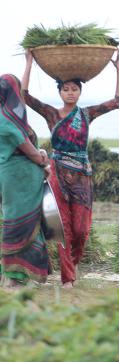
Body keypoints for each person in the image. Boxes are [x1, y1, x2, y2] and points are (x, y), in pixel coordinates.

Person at [22, 49, 119, 288]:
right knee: (63, 227)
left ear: (80, 92)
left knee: (81, 229)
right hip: (57, 174)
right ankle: (68, 278)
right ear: (59, 92)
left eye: (74, 89)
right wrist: (29, 63)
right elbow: (25, 95)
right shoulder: (51, 114)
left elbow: (118, 102)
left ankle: (73, 264)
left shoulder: (86, 114)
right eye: (65, 89)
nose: (70, 93)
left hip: (82, 177)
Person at [0, 74, 51, 288]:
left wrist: (40, 156)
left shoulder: (11, 119)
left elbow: (30, 149)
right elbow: (29, 151)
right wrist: (42, 159)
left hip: (22, 181)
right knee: (18, 224)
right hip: (17, 181)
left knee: (25, 223)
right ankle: (13, 277)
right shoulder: (7, 120)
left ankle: (14, 275)